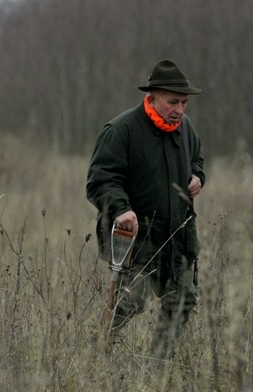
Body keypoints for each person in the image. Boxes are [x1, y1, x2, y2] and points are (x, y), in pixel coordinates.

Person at [86, 59, 205, 363]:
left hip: (179, 235)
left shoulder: (185, 128)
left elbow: (197, 159)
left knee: (182, 300)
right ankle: (95, 357)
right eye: (173, 101)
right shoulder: (121, 130)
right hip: (136, 236)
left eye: (184, 102)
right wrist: (121, 209)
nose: (180, 109)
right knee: (131, 301)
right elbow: (100, 181)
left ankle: (157, 369)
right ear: (152, 98)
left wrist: (197, 176)